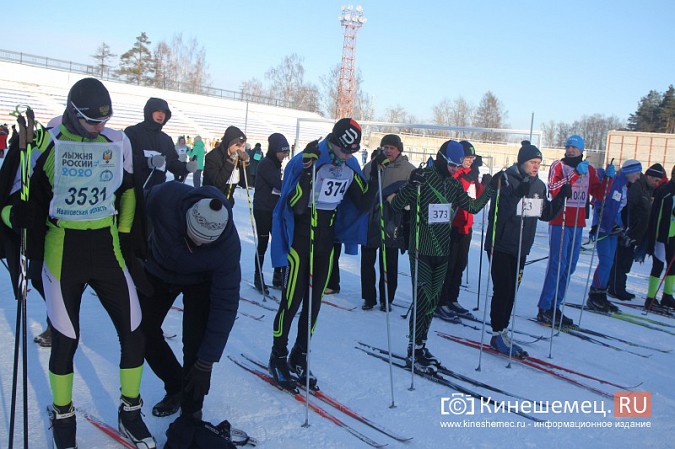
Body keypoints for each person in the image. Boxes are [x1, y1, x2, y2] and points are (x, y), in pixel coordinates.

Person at [17, 78, 156, 448]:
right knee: (66, 340)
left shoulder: (117, 141)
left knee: (134, 333)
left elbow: (127, 190)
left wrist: (125, 236)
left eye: (104, 122)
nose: (100, 129)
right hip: (63, 249)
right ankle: (63, 416)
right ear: (72, 113)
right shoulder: (46, 140)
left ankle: (130, 412)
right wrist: (18, 219)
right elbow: (14, 198)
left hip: (106, 247)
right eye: (92, 122)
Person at [268, 118, 380, 390]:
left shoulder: (349, 164)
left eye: (352, 152)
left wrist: (376, 169)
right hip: (301, 239)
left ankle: (300, 354)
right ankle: (278, 355)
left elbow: (363, 201)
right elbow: (294, 206)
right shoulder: (308, 159)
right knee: (291, 301)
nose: (347, 156)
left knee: (314, 302)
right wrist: (307, 173)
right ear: (334, 141)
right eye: (344, 151)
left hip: (326, 242)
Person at [137, 181, 241, 448]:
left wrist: (206, 362)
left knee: (196, 345)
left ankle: (192, 410)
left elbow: (225, 305)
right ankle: (175, 385)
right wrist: (137, 255)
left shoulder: (227, 245)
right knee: (141, 330)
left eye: (204, 243)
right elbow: (134, 208)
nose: (195, 245)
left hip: (200, 281)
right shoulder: (166, 198)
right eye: (192, 237)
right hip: (158, 269)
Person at [391, 140, 498, 371]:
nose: (454, 169)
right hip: (421, 249)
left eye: (458, 166)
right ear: (440, 157)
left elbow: (473, 207)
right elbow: (397, 205)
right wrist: (411, 185)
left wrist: (490, 188)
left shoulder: (454, 184)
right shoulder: (424, 177)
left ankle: (421, 344)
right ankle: (413, 348)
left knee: (431, 303)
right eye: (451, 164)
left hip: (443, 250)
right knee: (421, 301)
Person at [485, 141, 569, 357]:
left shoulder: (538, 185)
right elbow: (498, 214)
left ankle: (502, 332)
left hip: (521, 248)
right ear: (522, 162)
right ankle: (497, 334)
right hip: (501, 245)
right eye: (532, 162)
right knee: (502, 290)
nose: (536, 166)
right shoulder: (505, 179)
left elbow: (546, 214)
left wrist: (561, 197)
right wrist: (516, 194)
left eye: (539, 163)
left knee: (512, 291)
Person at [536, 135, 611, 326]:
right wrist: (574, 174)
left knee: (570, 266)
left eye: (574, 148)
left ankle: (556, 305)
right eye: (568, 146)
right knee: (557, 265)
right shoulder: (558, 166)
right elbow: (553, 188)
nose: (570, 150)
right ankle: (545, 307)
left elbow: (600, 194)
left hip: (577, 223)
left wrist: (609, 179)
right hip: (559, 220)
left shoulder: (590, 170)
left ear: (581, 150)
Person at [360, 134, 414, 310]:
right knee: (367, 261)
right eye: (385, 147)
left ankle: (386, 299)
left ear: (399, 149)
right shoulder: (372, 165)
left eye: (392, 148)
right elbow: (362, 185)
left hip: (393, 222)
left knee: (389, 262)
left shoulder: (408, 169)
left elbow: (413, 195)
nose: (388, 151)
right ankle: (368, 298)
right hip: (371, 219)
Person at [435, 140, 484, 321]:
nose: (470, 161)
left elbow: (476, 199)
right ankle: (441, 301)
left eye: (472, 158)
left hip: (466, 225)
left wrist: (483, 185)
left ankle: (452, 298)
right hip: (452, 225)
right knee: (448, 265)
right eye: (467, 158)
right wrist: (467, 177)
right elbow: (453, 190)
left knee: (459, 265)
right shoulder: (455, 173)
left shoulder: (471, 173)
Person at [587, 159, 642, 312]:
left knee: (609, 263)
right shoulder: (615, 183)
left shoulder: (624, 186)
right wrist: (607, 224)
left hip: (613, 228)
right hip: (604, 228)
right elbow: (601, 204)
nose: (638, 177)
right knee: (605, 262)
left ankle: (601, 295)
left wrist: (622, 229)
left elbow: (618, 210)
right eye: (637, 173)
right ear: (629, 171)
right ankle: (594, 296)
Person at [608, 163, 665, 300]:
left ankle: (620, 286)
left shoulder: (648, 189)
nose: (657, 184)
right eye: (656, 180)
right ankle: (615, 288)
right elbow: (628, 207)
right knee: (621, 261)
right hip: (629, 230)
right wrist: (626, 227)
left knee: (626, 262)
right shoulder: (637, 186)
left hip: (636, 233)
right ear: (649, 176)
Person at [124, 97, 197, 190]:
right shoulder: (133, 132)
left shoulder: (166, 139)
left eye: (164, 112)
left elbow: (172, 163)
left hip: (156, 193)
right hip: (133, 190)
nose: (161, 115)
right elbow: (126, 158)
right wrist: (148, 161)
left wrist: (186, 167)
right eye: (157, 111)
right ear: (149, 112)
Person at [252, 133, 289, 293]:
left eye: (287, 152)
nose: (285, 155)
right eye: (283, 152)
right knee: (263, 243)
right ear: (275, 150)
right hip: (263, 209)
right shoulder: (267, 164)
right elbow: (278, 184)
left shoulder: (275, 163)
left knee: (278, 242)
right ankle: (258, 277)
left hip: (273, 209)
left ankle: (277, 276)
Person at [645, 165, 675, 310]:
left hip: (673, 235)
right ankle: (650, 298)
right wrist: (654, 238)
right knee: (658, 265)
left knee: (673, 265)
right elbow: (657, 216)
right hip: (661, 236)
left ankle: (667, 296)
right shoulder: (665, 191)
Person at [203, 126, 249, 206]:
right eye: (238, 146)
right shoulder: (213, 156)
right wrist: (230, 161)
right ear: (229, 143)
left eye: (243, 146)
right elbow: (217, 182)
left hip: (227, 203)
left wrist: (246, 164)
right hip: (211, 202)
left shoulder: (238, 158)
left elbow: (245, 184)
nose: (241, 150)